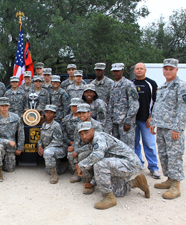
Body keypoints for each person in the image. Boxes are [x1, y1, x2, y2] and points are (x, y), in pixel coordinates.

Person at [76, 122, 149, 209]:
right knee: (115, 191)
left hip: (129, 164)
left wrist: (80, 165)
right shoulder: (94, 140)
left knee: (100, 164)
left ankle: (109, 198)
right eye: (81, 134)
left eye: (86, 132)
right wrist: (93, 183)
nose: (84, 136)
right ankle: (136, 182)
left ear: (92, 130)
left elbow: (98, 156)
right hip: (119, 164)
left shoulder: (98, 138)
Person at [150, 58, 186, 199]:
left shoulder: (181, 86)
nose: (168, 71)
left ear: (177, 70)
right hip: (162, 127)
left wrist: (177, 128)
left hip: (173, 129)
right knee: (164, 155)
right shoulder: (163, 86)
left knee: (174, 156)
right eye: (166, 68)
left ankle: (176, 185)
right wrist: (153, 121)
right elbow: (158, 106)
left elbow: (183, 109)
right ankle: (169, 179)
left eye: (171, 69)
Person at [132, 63, 160, 179]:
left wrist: (151, 117)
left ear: (145, 70)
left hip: (146, 120)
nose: (139, 70)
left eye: (141, 69)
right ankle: (138, 165)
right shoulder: (131, 84)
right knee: (135, 144)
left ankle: (153, 168)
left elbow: (156, 102)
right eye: (137, 69)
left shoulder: (151, 83)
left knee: (149, 144)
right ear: (134, 71)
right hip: (133, 121)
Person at [105, 63, 139, 149]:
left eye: (117, 71)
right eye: (113, 71)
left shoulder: (128, 84)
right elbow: (111, 104)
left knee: (127, 148)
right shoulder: (113, 85)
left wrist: (128, 121)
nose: (115, 73)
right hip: (115, 122)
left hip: (125, 123)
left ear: (122, 71)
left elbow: (134, 105)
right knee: (117, 147)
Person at [0, 97, 24, 181]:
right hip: (0, 145)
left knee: (10, 169)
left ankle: (4, 162)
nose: (4, 107)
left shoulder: (15, 117)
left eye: (6, 105)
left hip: (11, 148)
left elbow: (21, 133)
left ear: (9, 106)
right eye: (2, 105)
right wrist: (7, 141)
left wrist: (20, 148)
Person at [70, 103, 103, 187]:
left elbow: (98, 145)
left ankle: (90, 179)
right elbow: (76, 142)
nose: (81, 115)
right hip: (84, 147)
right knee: (71, 154)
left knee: (82, 155)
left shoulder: (96, 125)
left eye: (83, 113)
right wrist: (76, 163)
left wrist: (78, 151)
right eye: (79, 113)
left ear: (89, 113)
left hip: (95, 149)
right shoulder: (79, 125)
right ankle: (77, 171)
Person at [38, 105, 67, 184]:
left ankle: (54, 175)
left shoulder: (56, 125)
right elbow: (40, 139)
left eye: (51, 113)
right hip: (50, 149)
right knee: (48, 170)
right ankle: (61, 166)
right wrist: (40, 146)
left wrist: (46, 149)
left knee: (47, 153)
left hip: (60, 148)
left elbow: (58, 141)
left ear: (54, 114)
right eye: (47, 112)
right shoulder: (44, 125)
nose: (48, 114)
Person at [62, 98, 83, 178]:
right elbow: (63, 134)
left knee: (72, 154)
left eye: (77, 106)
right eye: (73, 106)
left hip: (80, 144)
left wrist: (74, 145)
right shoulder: (66, 119)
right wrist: (69, 142)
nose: (75, 108)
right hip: (67, 143)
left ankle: (76, 172)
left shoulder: (83, 119)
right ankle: (66, 166)